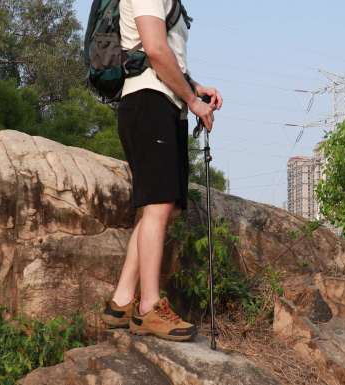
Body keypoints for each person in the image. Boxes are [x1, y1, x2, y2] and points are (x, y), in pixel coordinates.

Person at [100, 0, 223, 341]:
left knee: (155, 206)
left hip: (161, 101)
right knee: (158, 206)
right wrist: (194, 102)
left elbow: (165, 53)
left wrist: (193, 87)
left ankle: (122, 301)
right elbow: (154, 50)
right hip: (148, 101)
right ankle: (149, 308)